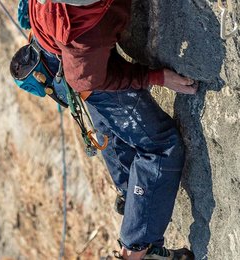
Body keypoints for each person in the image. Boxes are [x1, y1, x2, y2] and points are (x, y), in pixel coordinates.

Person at [25, 0, 198, 259]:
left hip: (58, 56)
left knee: (118, 132)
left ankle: (134, 198)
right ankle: (137, 250)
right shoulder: (85, 34)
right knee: (161, 147)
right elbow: (88, 79)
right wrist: (156, 77)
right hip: (83, 70)